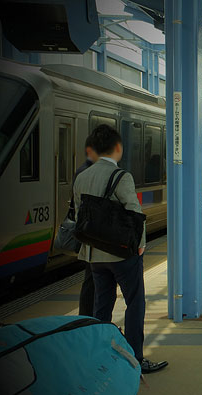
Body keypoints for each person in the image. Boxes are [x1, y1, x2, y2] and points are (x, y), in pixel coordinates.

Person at [73, 125, 167, 374]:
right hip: (121, 254)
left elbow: (78, 215)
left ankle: (99, 355)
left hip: (94, 255)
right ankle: (136, 357)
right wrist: (140, 246)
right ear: (117, 148)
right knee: (135, 303)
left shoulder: (81, 177)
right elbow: (135, 214)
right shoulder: (121, 176)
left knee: (101, 305)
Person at [75, 135, 98, 317]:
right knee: (95, 282)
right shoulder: (96, 174)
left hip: (88, 237)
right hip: (99, 239)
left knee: (90, 281)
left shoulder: (81, 173)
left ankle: (87, 317)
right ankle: (93, 320)